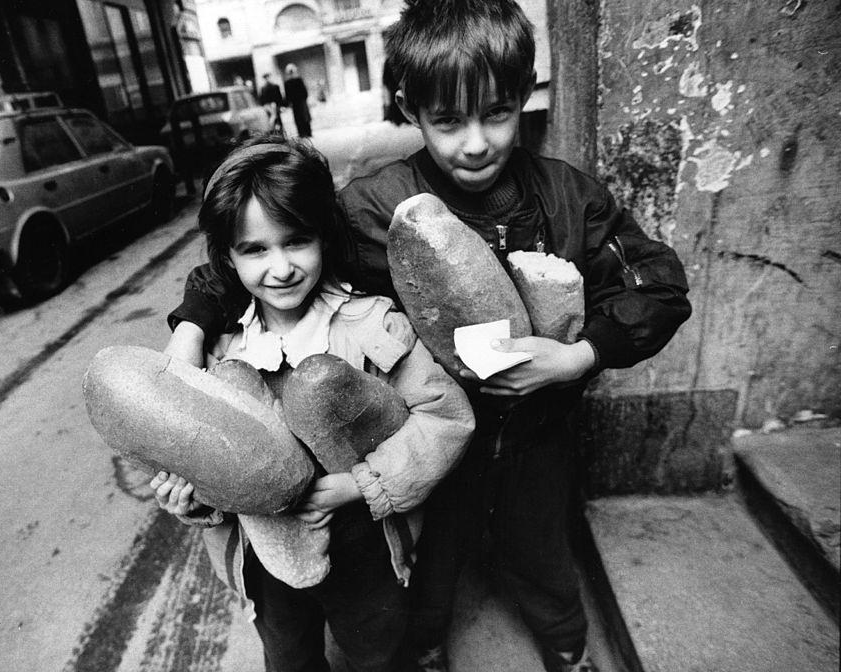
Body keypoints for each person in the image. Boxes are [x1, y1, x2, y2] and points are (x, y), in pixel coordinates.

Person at [163, 1, 693, 670]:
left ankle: (565, 649)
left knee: (542, 553)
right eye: (447, 120)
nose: (475, 143)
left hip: (538, 432)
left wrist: (576, 358)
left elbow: (660, 285)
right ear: (409, 106)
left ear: (523, 93)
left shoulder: (567, 198)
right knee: (430, 565)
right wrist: (191, 329)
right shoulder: (377, 206)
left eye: (496, 113)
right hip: (431, 435)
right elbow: (261, 260)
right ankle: (426, 648)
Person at [154, 136, 475, 672]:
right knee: (288, 657)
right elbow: (207, 467)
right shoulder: (219, 355)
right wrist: (191, 498)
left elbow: (446, 419)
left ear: (324, 237)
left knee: (378, 649)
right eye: (255, 250)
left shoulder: (373, 324)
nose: (280, 268)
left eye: (296, 241)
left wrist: (361, 484)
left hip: (364, 545)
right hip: (266, 559)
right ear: (228, 259)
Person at [283, 63, 312, 138]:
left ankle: (306, 132)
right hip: (297, 102)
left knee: (303, 117)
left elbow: (304, 91)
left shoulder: (296, 80)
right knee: (300, 117)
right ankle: (304, 132)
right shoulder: (291, 82)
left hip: (299, 102)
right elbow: (288, 94)